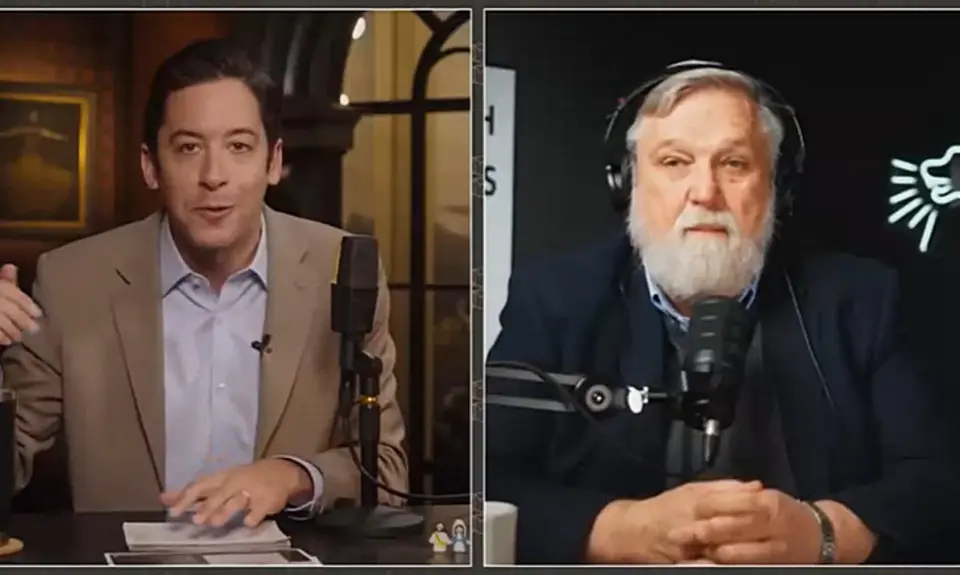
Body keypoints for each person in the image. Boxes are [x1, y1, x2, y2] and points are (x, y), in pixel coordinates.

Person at [486, 62, 960, 565]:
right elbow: (484, 478)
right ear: (626, 181)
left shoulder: (862, 299)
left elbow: (932, 478)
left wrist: (822, 533)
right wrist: (619, 529)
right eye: (674, 162)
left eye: (734, 163)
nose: (705, 192)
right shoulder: (556, 297)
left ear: (776, 187)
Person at [0, 38, 409, 526]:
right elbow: (9, 464)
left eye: (239, 147)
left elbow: (387, 472)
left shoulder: (341, 267)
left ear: (272, 162)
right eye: (189, 148)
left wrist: (291, 476)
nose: (214, 175)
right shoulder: (72, 282)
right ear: (151, 166)